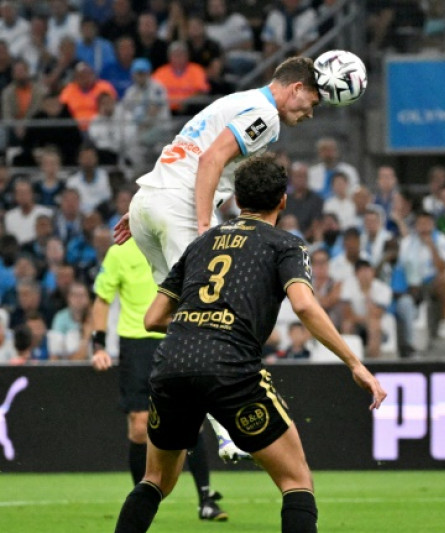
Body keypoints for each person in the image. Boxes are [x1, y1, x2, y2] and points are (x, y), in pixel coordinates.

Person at [111, 153, 386, 533]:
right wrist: (355, 364)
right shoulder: (285, 245)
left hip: (172, 362)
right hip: (230, 367)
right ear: (283, 200)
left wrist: (201, 321)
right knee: (296, 480)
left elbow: (153, 318)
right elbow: (304, 305)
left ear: (237, 200)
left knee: (155, 480)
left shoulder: (201, 243)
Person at [112, 55, 323, 461]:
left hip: (149, 199)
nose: (311, 113)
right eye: (311, 102)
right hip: (178, 208)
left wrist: (144, 210)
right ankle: (227, 430)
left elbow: (186, 152)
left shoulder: (235, 100)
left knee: (172, 319)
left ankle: (186, 396)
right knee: (212, 313)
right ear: (296, 87)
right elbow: (211, 160)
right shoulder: (267, 116)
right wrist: (204, 223)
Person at [91, 238, 228, 522]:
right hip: (136, 344)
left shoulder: (175, 244)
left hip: (176, 334)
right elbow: (103, 298)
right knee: (139, 425)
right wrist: (99, 344)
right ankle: (140, 499)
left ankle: (206, 499)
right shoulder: (119, 252)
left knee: (192, 420)